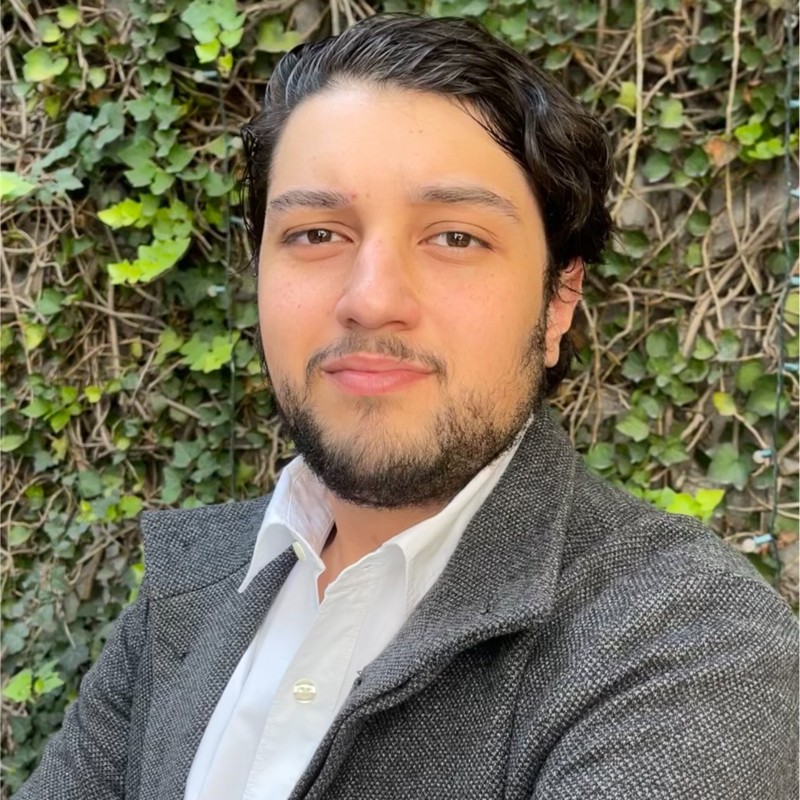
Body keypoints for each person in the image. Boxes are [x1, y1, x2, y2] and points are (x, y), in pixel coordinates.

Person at [17, 13, 797, 800]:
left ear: (559, 302)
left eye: (455, 237)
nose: (372, 299)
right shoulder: (194, 583)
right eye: (316, 233)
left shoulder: (690, 645)